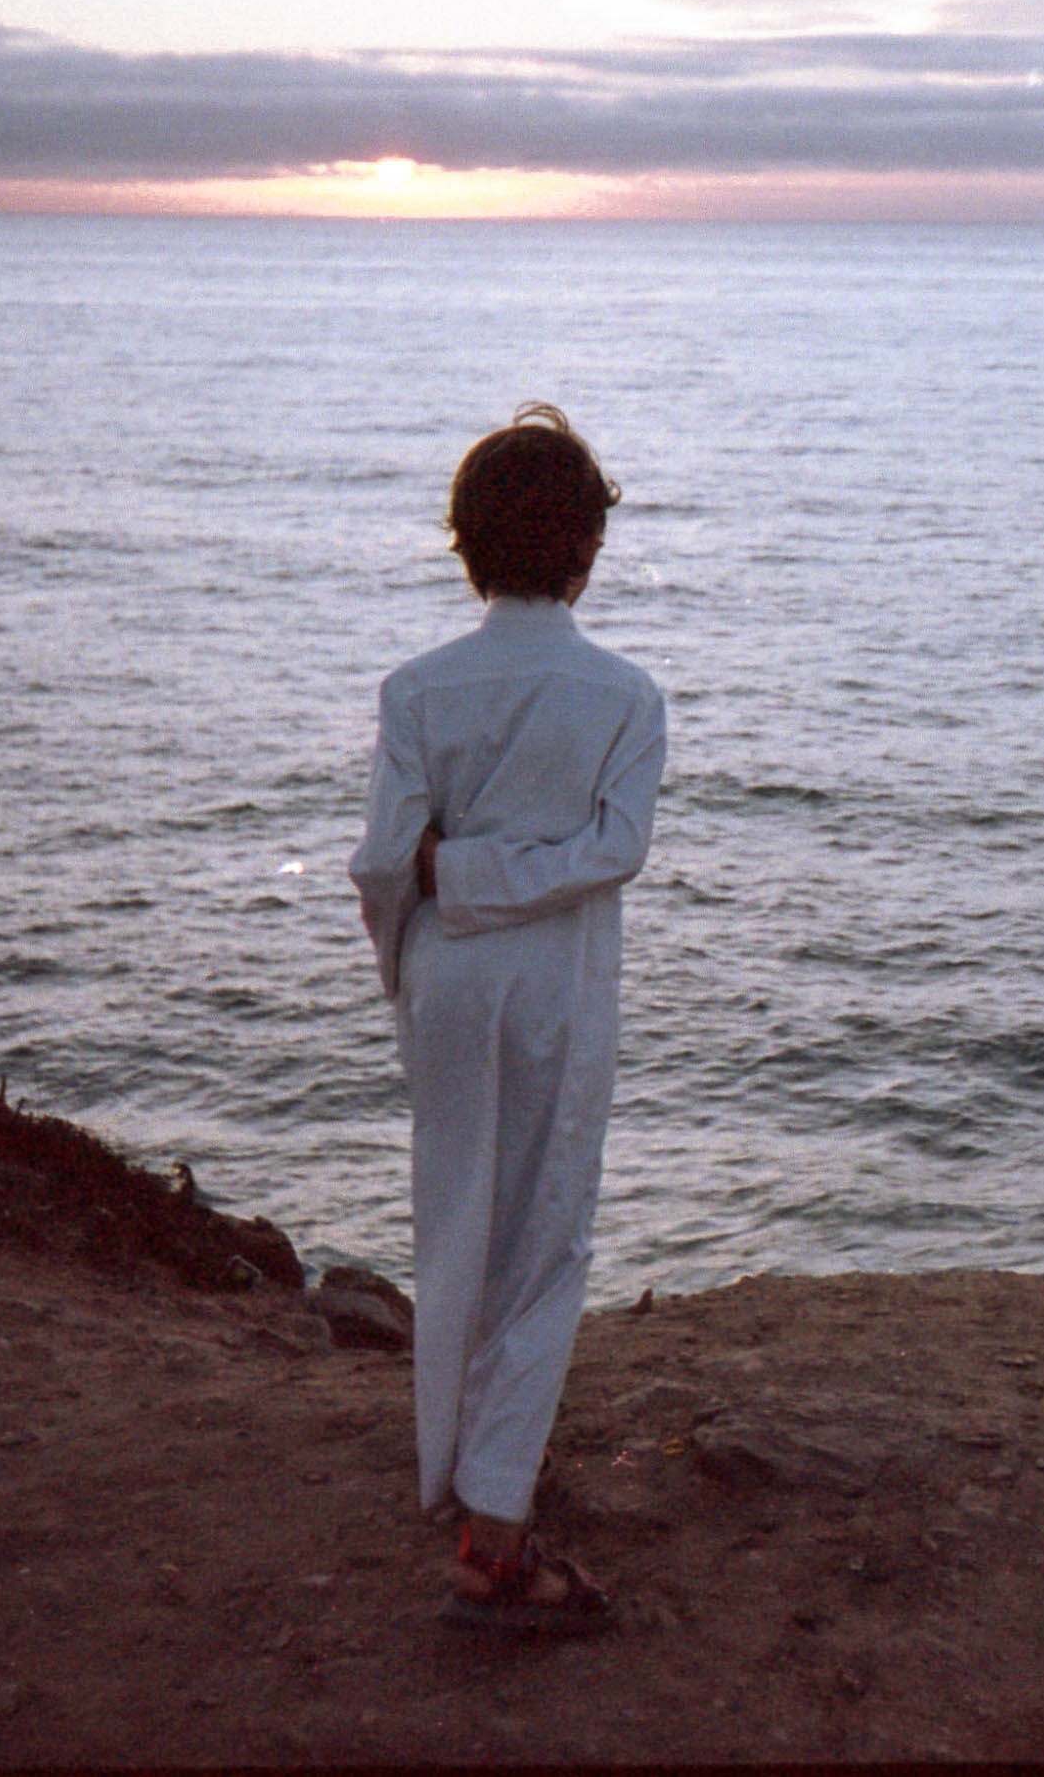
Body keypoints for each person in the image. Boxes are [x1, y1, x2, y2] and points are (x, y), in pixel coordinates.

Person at [348, 403, 666, 1631]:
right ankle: (493, 1533)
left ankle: (473, 1471)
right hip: (556, 981)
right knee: (544, 1236)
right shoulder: (625, 697)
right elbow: (614, 851)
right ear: (587, 547)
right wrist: (494, 877)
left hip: (446, 976)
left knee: (454, 1222)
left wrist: (442, 899)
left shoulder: (417, 690)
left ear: (466, 546)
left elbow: (387, 861)